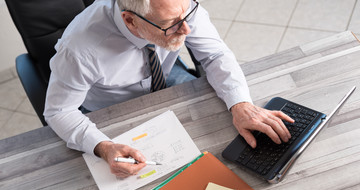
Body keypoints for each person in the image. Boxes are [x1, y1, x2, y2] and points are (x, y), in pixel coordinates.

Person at [44, 0, 293, 178]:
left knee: (222, 148)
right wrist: (104, 147)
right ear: (130, 21)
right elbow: (59, 112)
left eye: (186, 15)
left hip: (166, 77)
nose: (186, 29)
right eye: (170, 24)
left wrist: (242, 105)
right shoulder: (79, 50)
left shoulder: (178, 9)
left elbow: (216, 55)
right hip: (112, 105)